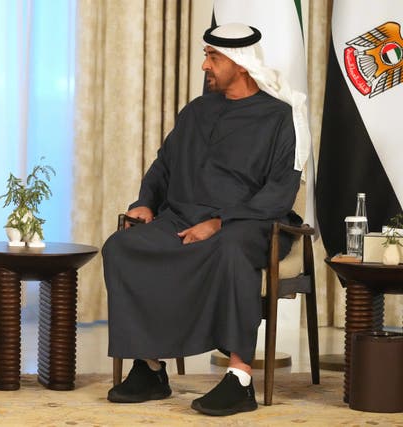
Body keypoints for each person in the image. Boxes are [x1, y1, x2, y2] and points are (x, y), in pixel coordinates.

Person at [102, 23, 310, 416]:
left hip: (253, 224)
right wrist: (145, 202)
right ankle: (149, 368)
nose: (204, 65)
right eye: (207, 55)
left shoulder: (281, 117)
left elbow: (280, 190)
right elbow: (164, 166)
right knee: (123, 246)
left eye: (213, 57)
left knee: (231, 248)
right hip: (181, 216)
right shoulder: (196, 111)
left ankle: (239, 378)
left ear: (242, 64)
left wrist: (220, 222)